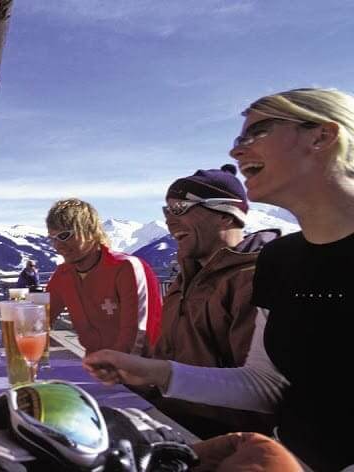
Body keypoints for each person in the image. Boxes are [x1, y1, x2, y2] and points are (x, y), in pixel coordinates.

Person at [85, 87, 354, 471]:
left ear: (322, 136)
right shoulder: (280, 260)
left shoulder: (253, 269)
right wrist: (153, 371)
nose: (236, 150)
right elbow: (265, 386)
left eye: (257, 131)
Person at [153, 164, 279, 438]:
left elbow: (261, 393)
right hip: (171, 417)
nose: (169, 222)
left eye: (179, 209)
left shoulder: (254, 280)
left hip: (222, 436)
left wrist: (153, 374)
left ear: (225, 214)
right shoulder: (186, 278)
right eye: (166, 211)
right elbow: (167, 353)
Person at [45, 198, 162, 355]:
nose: (58, 246)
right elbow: (40, 318)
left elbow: (136, 336)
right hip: (96, 364)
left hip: (144, 366)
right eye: (53, 239)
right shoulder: (63, 275)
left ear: (90, 231)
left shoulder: (127, 268)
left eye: (65, 235)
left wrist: (112, 365)